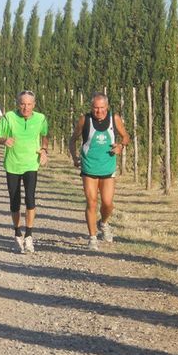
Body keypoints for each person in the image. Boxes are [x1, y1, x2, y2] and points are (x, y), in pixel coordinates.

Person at [69, 92, 130, 250]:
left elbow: (126, 137)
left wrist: (120, 146)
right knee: (91, 202)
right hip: (89, 167)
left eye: (102, 108)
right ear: (91, 107)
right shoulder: (85, 120)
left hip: (107, 167)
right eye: (95, 108)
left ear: (107, 107)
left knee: (108, 204)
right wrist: (75, 158)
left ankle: (103, 223)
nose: (99, 111)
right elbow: (73, 139)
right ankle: (92, 237)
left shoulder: (114, 119)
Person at [0, 90, 49, 254]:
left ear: (34, 105)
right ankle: (17, 233)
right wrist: (4, 140)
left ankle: (29, 236)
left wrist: (44, 150)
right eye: (23, 104)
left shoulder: (40, 118)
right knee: (14, 200)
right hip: (12, 164)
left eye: (29, 104)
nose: (26, 107)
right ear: (18, 103)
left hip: (31, 163)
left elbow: (45, 135)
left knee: (30, 198)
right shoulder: (9, 117)